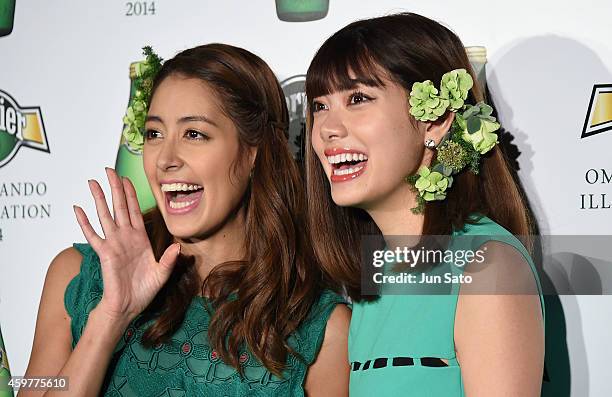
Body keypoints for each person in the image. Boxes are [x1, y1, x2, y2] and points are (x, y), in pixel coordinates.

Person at [22, 43, 350, 396]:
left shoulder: (322, 329)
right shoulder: (76, 276)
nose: (165, 159)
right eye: (154, 134)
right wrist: (109, 317)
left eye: (194, 134)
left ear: (253, 151)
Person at [304, 12, 545, 396]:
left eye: (358, 98)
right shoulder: (375, 275)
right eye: (319, 105)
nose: (327, 129)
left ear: (434, 122)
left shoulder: (487, 266)